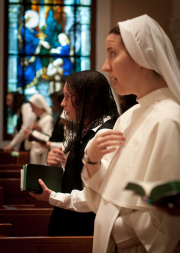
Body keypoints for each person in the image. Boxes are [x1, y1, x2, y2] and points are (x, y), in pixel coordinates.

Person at [81, 15, 180, 253]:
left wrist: (113, 227)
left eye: (112, 53)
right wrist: (92, 162)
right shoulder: (127, 117)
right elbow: (110, 195)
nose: (105, 66)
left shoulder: (169, 119)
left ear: (141, 56)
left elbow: (167, 217)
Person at [29, 70, 119, 236]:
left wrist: (53, 197)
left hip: (83, 228)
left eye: (68, 97)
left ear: (88, 100)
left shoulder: (104, 135)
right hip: (70, 220)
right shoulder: (87, 129)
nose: (63, 103)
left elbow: (95, 197)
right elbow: (78, 178)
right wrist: (57, 166)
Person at [26, 93, 53, 165]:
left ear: (39, 106)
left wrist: (32, 134)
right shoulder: (41, 118)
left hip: (43, 156)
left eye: (33, 107)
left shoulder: (47, 119)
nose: (32, 110)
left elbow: (47, 139)